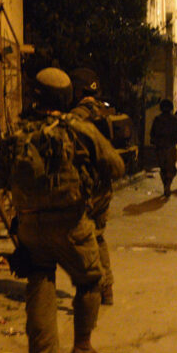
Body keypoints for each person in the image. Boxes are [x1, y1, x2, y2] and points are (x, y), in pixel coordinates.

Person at [0, 67, 124, 353]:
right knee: (91, 280)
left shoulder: (16, 134)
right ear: (66, 97)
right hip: (70, 224)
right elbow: (115, 166)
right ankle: (82, 349)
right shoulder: (76, 129)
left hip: (29, 226)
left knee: (40, 282)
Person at [68, 69, 116, 306]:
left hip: (86, 186)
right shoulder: (104, 112)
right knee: (98, 236)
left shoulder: (75, 116)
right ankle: (107, 288)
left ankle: (93, 289)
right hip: (104, 185)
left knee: (84, 239)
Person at [150, 99, 177, 196]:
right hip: (170, 147)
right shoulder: (175, 119)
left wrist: (155, 142)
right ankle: (168, 185)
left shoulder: (157, 119)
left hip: (160, 147)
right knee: (171, 168)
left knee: (163, 168)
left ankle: (166, 185)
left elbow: (152, 133)